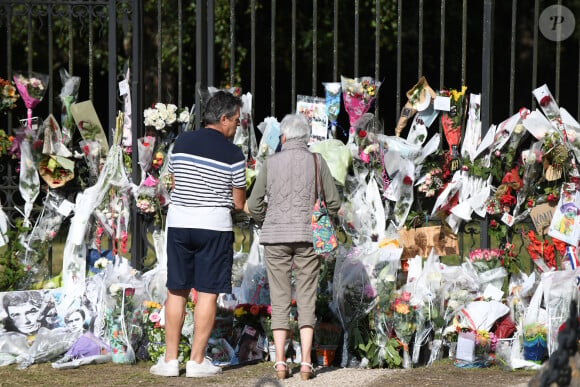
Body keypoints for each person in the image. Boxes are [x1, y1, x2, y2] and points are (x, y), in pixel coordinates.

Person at [150, 90, 246, 378]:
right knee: (207, 292)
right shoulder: (233, 153)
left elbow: (174, 181)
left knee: (176, 289)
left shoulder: (181, 141)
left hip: (180, 222)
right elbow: (239, 202)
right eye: (237, 121)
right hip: (213, 226)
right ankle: (196, 360)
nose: (238, 126)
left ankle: (169, 361)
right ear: (224, 118)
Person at [247, 113, 341, 380]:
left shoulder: (270, 162)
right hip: (308, 236)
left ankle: (279, 362)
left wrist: (270, 218)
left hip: (275, 237)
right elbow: (333, 203)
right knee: (307, 295)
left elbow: (254, 206)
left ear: (284, 137)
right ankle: (306, 363)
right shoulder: (316, 160)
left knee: (279, 297)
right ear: (307, 138)